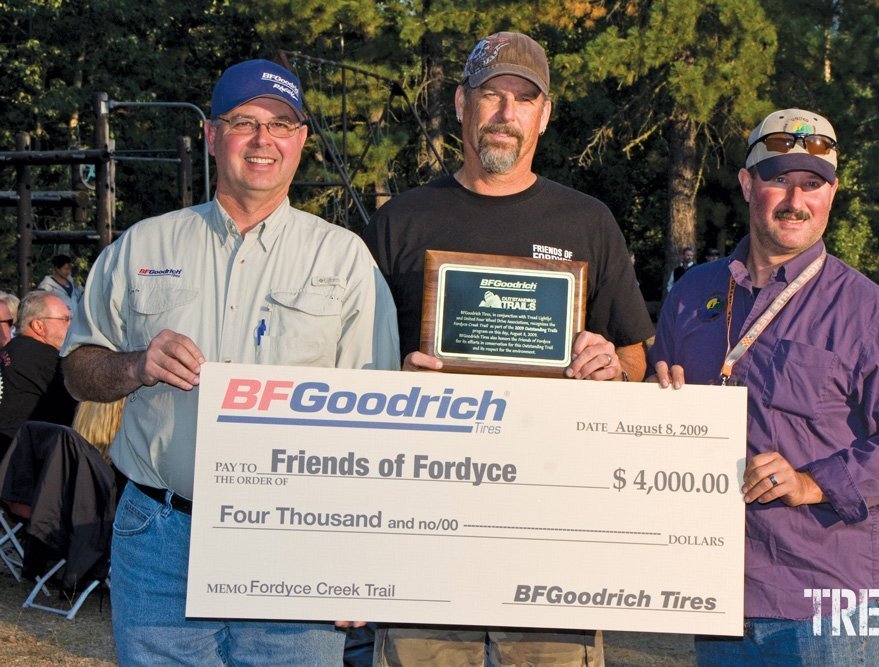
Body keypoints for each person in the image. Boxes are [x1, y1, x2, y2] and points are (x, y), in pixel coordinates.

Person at [61, 58, 400, 665]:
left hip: (296, 541)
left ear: (300, 142)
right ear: (212, 135)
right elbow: (77, 366)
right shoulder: (143, 244)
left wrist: (358, 555)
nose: (263, 139)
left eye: (281, 123)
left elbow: (376, 422)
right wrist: (136, 365)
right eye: (244, 121)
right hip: (161, 538)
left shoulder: (346, 261)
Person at [363, 31, 653, 667]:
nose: (505, 114)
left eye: (523, 101)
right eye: (491, 96)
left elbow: (636, 358)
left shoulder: (588, 223)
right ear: (462, 104)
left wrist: (613, 374)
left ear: (543, 116)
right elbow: (356, 373)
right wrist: (394, 382)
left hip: (552, 535)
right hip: (426, 537)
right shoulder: (400, 222)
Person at [649, 108, 879, 664]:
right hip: (714, 593)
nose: (795, 199)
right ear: (747, 183)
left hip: (823, 606)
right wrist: (655, 396)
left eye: (813, 184)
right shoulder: (693, 294)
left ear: (831, 195)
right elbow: (650, 413)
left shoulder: (871, 315)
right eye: (779, 179)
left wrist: (813, 482)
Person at [0, 291, 77, 458]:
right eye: (65, 319)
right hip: (23, 461)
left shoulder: (14, 349)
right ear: (38, 326)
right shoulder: (45, 359)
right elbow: (80, 406)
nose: (72, 325)